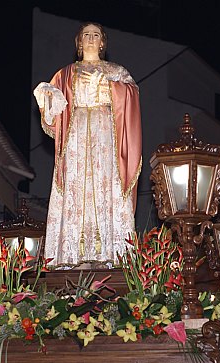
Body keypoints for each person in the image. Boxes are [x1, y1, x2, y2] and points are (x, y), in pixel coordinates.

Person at [33, 22, 142, 268]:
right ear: (79, 43)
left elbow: (132, 95)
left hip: (106, 135)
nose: (91, 39)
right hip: (77, 135)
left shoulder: (116, 71)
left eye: (96, 35)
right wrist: (48, 101)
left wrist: (108, 87)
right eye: (86, 35)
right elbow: (52, 121)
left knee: (106, 184)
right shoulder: (64, 74)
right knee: (76, 185)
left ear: (102, 42)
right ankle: (70, 256)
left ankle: (112, 255)